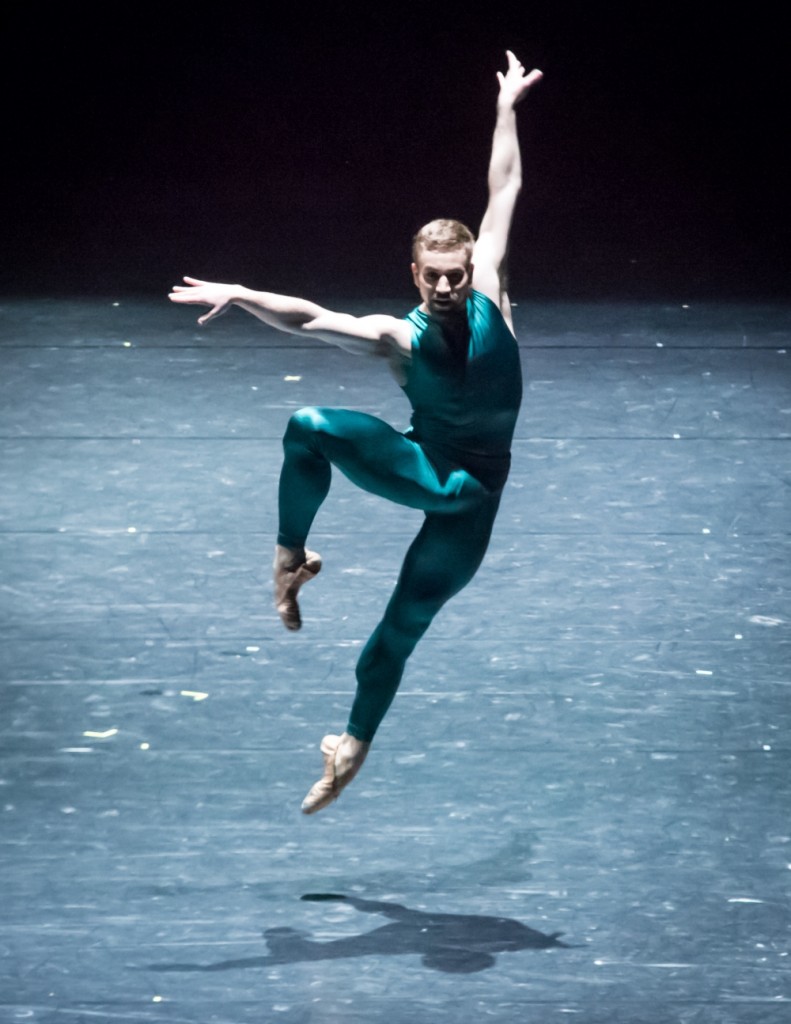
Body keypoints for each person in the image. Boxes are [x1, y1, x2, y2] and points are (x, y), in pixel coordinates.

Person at [169, 51, 543, 814]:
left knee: (399, 630)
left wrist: (505, 107)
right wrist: (241, 293)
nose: (446, 286)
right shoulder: (396, 338)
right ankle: (289, 555)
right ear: (413, 273)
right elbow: (309, 317)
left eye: (457, 273)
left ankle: (351, 746)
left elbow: (503, 187)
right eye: (432, 275)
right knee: (308, 426)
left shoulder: (494, 293)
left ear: (473, 268)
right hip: (422, 469)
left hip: (474, 501)